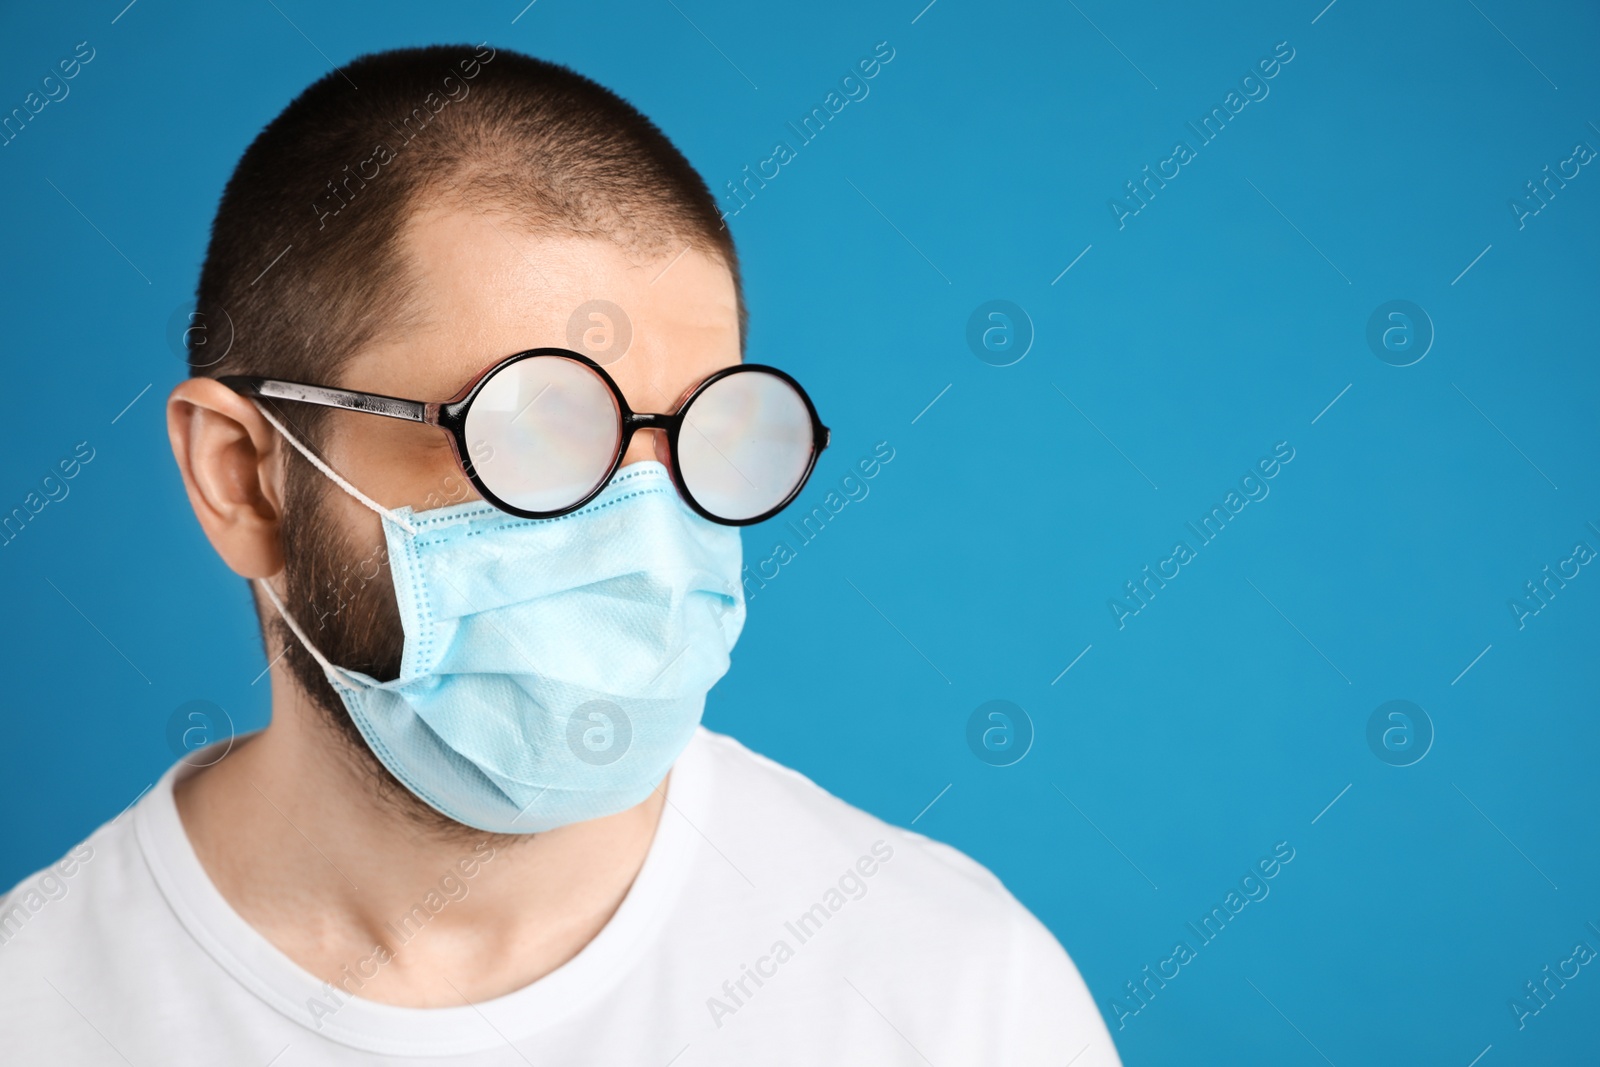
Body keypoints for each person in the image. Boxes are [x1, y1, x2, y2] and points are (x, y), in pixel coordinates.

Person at [0, 44, 1120, 1065]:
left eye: (700, 437)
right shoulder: (37, 1008)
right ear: (244, 477)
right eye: (530, 429)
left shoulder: (953, 996)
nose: (642, 532)